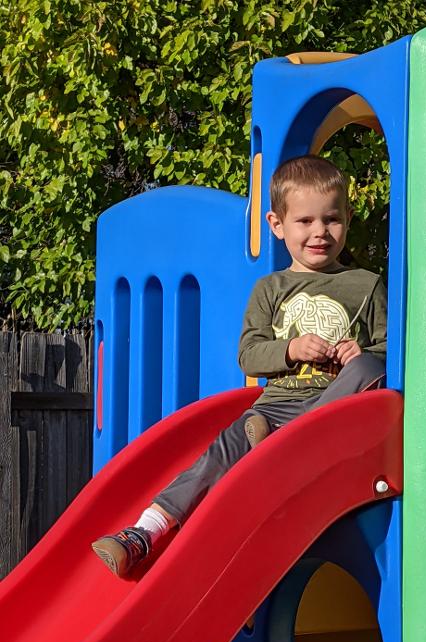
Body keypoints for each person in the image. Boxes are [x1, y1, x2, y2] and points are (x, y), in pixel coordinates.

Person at [92, 154, 387, 577]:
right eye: (305, 221)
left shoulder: (367, 284)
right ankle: (144, 532)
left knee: (366, 371)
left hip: (334, 410)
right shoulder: (271, 288)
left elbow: (391, 350)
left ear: (347, 218)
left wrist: (364, 354)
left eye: (332, 219)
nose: (320, 232)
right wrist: (291, 349)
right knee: (222, 450)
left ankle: (288, 444)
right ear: (277, 224)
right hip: (277, 407)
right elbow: (250, 353)